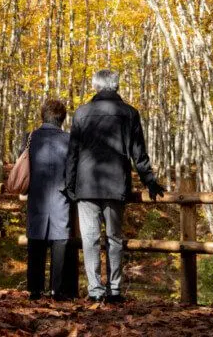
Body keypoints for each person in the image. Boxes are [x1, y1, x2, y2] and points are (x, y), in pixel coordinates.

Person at [64, 69, 165, 304]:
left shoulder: (82, 113)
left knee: (89, 239)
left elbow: (73, 154)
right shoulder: (129, 113)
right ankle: (115, 290)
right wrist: (149, 181)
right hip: (116, 184)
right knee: (114, 238)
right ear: (116, 86)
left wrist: (70, 184)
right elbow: (139, 153)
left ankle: (95, 290)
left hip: (86, 185)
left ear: (96, 86)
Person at [21, 98, 79, 301]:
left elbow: (24, 164)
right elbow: (72, 169)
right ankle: (57, 290)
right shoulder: (69, 139)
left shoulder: (30, 138)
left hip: (36, 194)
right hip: (61, 193)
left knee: (35, 238)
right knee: (60, 239)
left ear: (42, 116)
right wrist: (71, 191)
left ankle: (34, 290)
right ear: (62, 118)